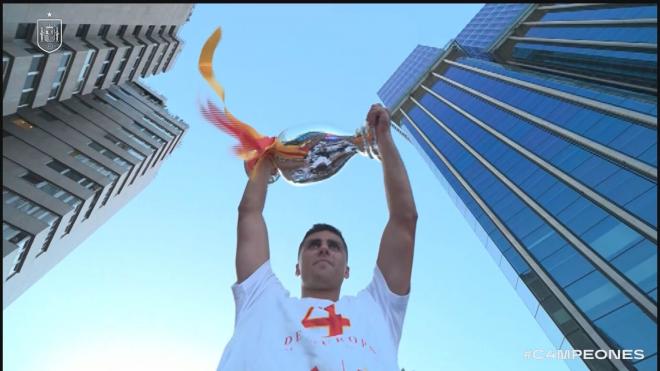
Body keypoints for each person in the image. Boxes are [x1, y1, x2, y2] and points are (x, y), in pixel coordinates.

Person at [217, 104, 418, 371]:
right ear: (297, 266)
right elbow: (249, 215)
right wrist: (265, 162)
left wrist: (384, 141)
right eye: (314, 245)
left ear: (347, 270)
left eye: (334, 246)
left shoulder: (377, 309)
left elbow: (404, 221)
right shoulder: (262, 299)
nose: (324, 249)